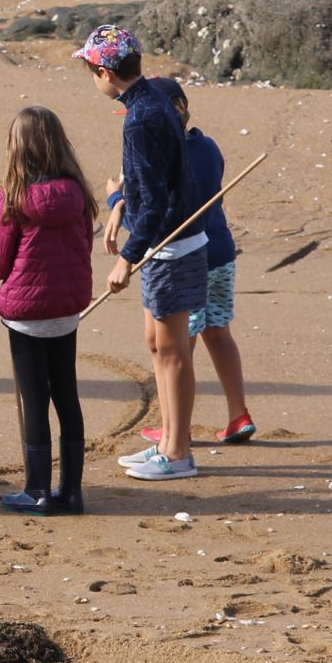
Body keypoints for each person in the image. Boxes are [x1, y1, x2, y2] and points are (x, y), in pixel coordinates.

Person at [73, 26, 208, 483]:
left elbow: (154, 202)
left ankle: (178, 453)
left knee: (172, 353)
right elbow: (148, 181)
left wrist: (125, 259)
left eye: (91, 70)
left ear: (107, 73)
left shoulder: (142, 117)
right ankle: (167, 440)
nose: (92, 78)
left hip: (172, 245)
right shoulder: (147, 101)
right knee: (156, 344)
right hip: (161, 241)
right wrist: (118, 207)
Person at [110, 78, 253, 446]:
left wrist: (116, 201)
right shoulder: (207, 146)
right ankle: (238, 414)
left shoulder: (172, 154)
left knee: (176, 347)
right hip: (219, 249)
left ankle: (177, 426)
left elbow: (157, 217)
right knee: (219, 333)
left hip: (188, 254)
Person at [0, 107, 97, 514]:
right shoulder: (78, 193)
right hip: (66, 307)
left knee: (35, 399)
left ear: (18, 150)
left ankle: (37, 490)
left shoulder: (14, 201)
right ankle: (71, 491)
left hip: (28, 313)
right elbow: (84, 247)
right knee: (66, 394)